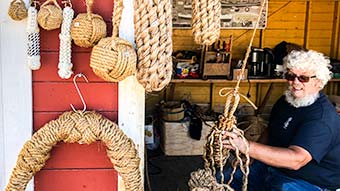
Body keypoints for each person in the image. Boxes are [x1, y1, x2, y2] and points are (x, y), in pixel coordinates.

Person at [220, 49, 340, 191]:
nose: (295, 82)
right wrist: (251, 157)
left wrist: (246, 146)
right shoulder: (286, 101)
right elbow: (270, 130)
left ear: (318, 81)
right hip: (272, 167)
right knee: (221, 180)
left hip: (308, 181)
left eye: (303, 78)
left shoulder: (321, 118)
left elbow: (296, 160)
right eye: (290, 76)